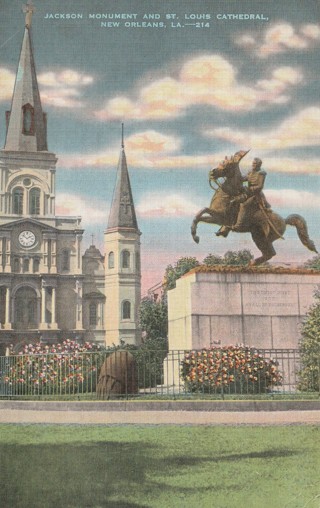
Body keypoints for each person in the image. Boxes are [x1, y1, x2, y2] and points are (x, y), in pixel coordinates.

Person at [231, 157, 270, 232]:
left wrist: (250, 189)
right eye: (253, 163)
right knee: (234, 200)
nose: (253, 165)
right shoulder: (250, 171)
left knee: (244, 205)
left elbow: (260, 186)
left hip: (256, 195)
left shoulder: (261, 173)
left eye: (255, 164)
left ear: (259, 165)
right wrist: (235, 175)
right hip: (248, 192)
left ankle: (238, 226)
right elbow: (244, 178)